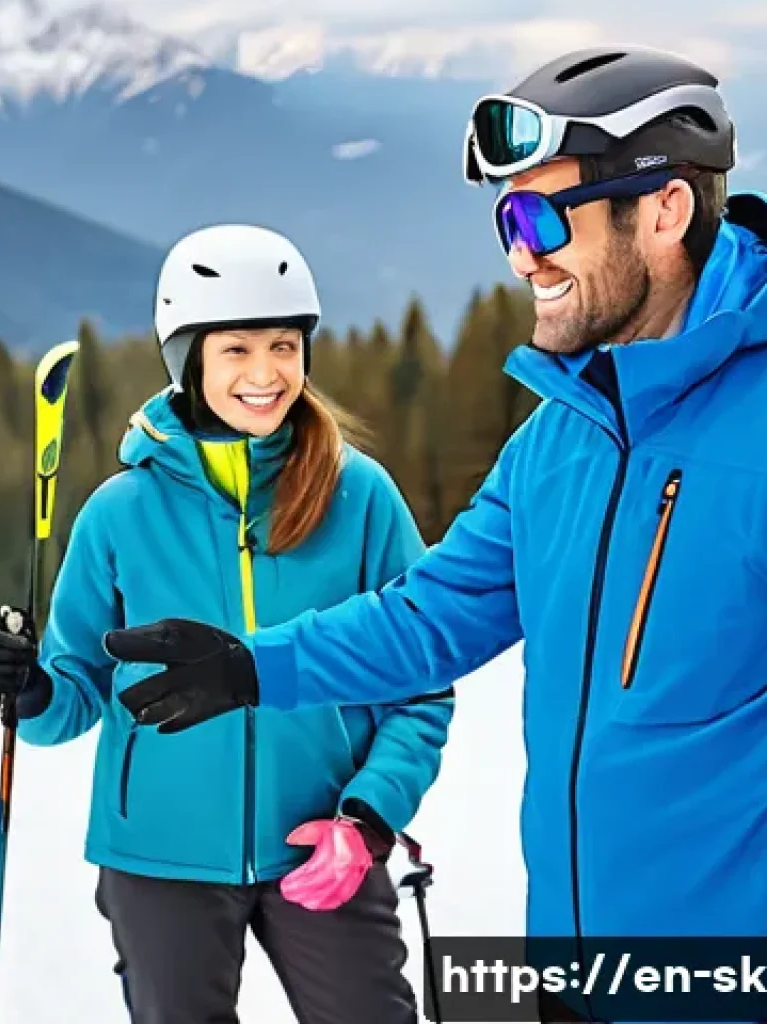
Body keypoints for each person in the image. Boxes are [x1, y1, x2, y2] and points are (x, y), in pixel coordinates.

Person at [103, 46, 767, 1023]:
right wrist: (254, 668)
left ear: (663, 211)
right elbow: (430, 613)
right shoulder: (560, 437)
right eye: (507, 219)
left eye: (544, 215)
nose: (520, 253)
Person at [0, 223, 453, 1024]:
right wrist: (29, 689)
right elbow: (74, 692)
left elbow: (420, 682)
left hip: (321, 841)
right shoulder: (120, 513)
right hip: (159, 855)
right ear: (187, 360)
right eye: (237, 351)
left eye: (285, 347)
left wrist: (366, 817)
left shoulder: (359, 497)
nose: (267, 375)